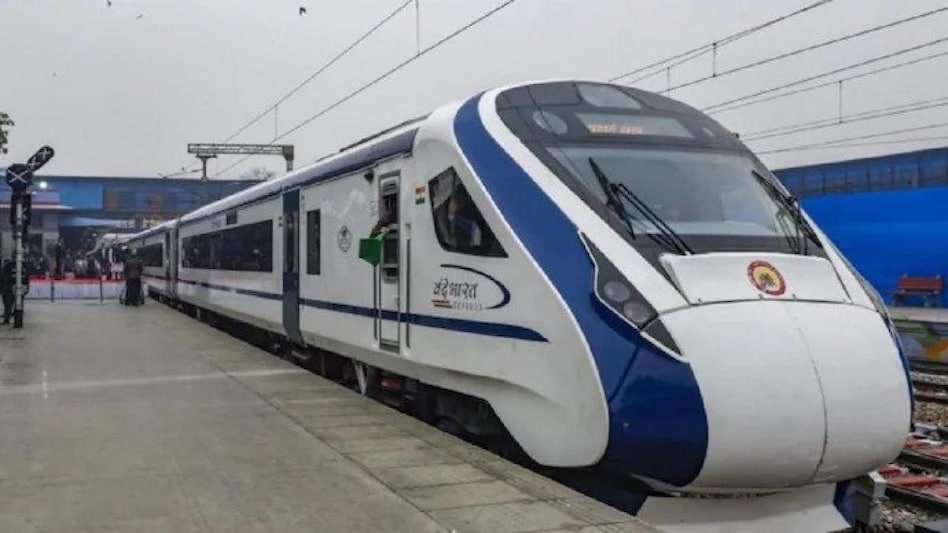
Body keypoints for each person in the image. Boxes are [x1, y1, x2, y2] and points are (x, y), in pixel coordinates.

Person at [0, 257, 13, 325]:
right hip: (5, 289)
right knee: (6, 304)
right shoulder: (4, 268)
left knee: (8, 304)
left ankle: (7, 319)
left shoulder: (7, 268)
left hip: (7, 289)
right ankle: (6, 317)